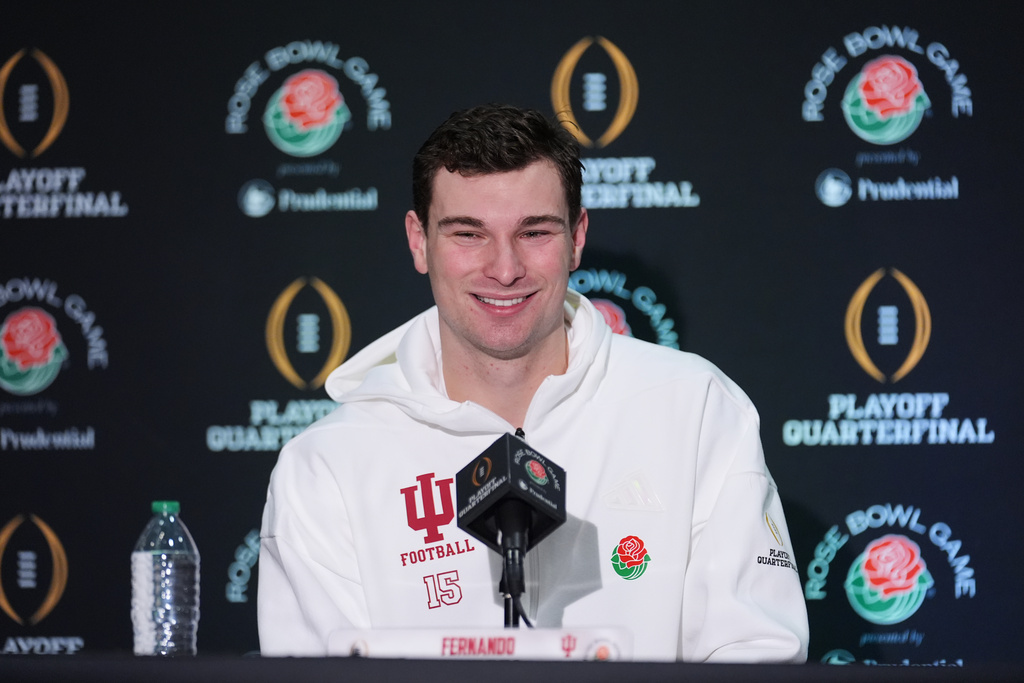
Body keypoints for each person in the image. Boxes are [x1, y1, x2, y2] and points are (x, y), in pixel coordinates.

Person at [258, 104, 809, 662]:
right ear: (419, 241)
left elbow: (754, 654)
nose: (504, 269)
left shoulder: (694, 410)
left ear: (577, 237)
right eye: (468, 234)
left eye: (535, 232)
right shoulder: (325, 467)